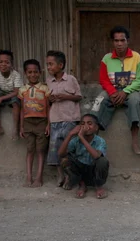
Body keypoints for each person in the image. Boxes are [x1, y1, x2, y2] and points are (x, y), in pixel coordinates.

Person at [97, 26, 140, 155]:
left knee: (135, 102)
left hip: (131, 90)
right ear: (113, 42)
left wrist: (125, 92)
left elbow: (139, 80)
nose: (119, 44)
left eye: (122, 40)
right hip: (112, 90)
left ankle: (134, 142)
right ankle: (94, 140)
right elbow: (103, 79)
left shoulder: (136, 57)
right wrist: (112, 92)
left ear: (127, 41)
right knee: (99, 101)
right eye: (116, 40)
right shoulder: (106, 58)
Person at [46, 50, 82, 187]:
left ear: (60, 65)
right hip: (55, 119)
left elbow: (79, 97)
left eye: (51, 64)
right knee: (55, 148)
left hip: (70, 119)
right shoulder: (48, 82)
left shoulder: (71, 79)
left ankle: (69, 176)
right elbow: (47, 101)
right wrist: (51, 98)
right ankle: (60, 174)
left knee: (68, 148)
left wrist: (65, 96)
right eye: (47, 64)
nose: (48, 67)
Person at [58, 114, 109, 199]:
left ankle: (99, 186)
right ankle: (82, 185)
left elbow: (96, 156)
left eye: (89, 123)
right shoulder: (75, 140)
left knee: (102, 161)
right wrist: (70, 134)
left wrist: (81, 137)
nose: (85, 126)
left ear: (96, 128)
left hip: (94, 172)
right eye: (82, 123)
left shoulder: (100, 141)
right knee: (65, 160)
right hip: (80, 171)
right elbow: (60, 154)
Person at [18, 59, 50, 187]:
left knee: (40, 150)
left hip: (41, 122)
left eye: (35, 72)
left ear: (40, 72)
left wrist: (48, 124)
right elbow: (21, 109)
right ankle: (29, 177)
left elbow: (48, 108)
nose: (33, 75)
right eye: (30, 72)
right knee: (30, 150)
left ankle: (39, 177)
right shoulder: (22, 90)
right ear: (25, 73)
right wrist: (21, 126)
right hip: (27, 123)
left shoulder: (45, 88)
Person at [0, 50, 22, 139]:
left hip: (13, 95)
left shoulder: (16, 75)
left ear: (11, 64)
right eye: (1, 62)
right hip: (2, 94)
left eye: (7, 62)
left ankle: (15, 129)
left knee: (16, 102)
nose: (3, 64)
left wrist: (1, 98)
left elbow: (16, 92)